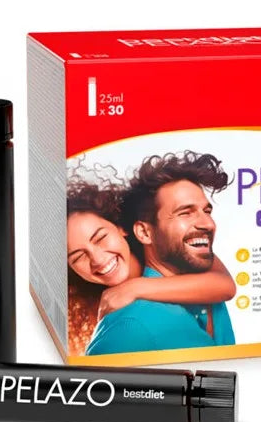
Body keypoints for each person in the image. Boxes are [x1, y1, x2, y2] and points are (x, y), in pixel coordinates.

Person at [83, 152, 237, 356]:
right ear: (145, 232)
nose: (208, 223)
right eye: (185, 213)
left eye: (206, 211)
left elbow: (226, 286)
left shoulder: (199, 270)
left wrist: (136, 287)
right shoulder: (132, 324)